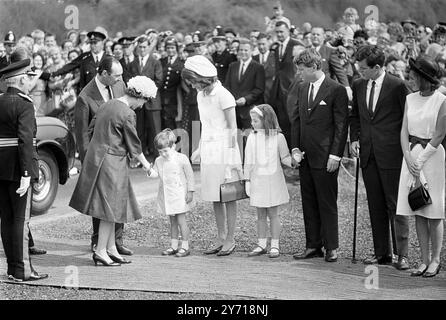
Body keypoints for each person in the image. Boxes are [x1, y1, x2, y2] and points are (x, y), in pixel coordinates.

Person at [69, 76, 157, 266]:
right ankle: (101, 251)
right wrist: (148, 167)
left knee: (108, 209)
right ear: (140, 96)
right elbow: (134, 145)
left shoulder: (108, 104)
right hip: (113, 163)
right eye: (144, 101)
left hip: (98, 157)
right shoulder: (127, 113)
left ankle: (110, 248)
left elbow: (91, 129)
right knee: (111, 210)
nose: (142, 106)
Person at [349, 45, 410, 270]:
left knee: (396, 205)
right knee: (375, 204)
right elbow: (354, 115)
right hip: (368, 153)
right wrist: (354, 138)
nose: (359, 71)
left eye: (363, 68)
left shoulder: (398, 86)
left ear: (377, 67)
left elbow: (407, 118)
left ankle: (402, 254)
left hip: (392, 154)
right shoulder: (358, 84)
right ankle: (381, 252)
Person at [290, 48, 349, 263]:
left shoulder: (336, 89)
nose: (299, 73)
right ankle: (313, 245)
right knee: (308, 201)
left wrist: (336, 155)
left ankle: (331, 246)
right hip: (305, 155)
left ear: (314, 67)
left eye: (302, 69)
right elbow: (297, 120)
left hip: (326, 157)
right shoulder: (302, 87)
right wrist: (295, 148)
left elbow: (341, 125)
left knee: (327, 201)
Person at [182, 55, 242, 256]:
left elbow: (233, 128)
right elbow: (205, 125)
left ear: (203, 77)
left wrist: (232, 157)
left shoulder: (224, 95)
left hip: (226, 151)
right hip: (209, 150)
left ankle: (231, 239)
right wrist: (199, 147)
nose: (192, 86)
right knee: (214, 197)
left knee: (229, 196)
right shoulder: (201, 96)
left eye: (193, 81)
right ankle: (221, 237)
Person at [74, 56, 132, 255]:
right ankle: (98, 241)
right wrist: (87, 162)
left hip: (118, 153)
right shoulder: (85, 96)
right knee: (100, 201)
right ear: (104, 74)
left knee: (118, 196)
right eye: (116, 75)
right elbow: (81, 133)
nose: (120, 79)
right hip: (98, 157)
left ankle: (116, 242)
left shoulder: (119, 85)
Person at [396, 56, 446, 277]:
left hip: (432, 157)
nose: (411, 79)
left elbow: (439, 134)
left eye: (414, 76)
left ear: (425, 78)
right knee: (417, 207)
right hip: (411, 157)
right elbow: (404, 131)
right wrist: (407, 156)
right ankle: (424, 260)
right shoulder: (410, 99)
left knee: (433, 210)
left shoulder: (441, 100)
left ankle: (436, 259)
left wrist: (420, 159)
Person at [0, 58, 48, 281]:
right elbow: (25, 141)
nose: (31, 82)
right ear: (20, 80)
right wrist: (27, 174)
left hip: (1, 168)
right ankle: (23, 271)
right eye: (29, 77)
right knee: (21, 221)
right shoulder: (24, 104)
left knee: (7, 219)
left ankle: (12, 268)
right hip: (20, 168)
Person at [244, 104, 294, 258]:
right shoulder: (252, 137)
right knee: (260, 214)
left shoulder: (279, 137)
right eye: (252, 120)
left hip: (273, 180)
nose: (252, 124)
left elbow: (284, 157)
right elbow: (249, 160)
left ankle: (275, 245)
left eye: (255, 121)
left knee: (273, 214)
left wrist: (293, 161)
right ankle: (261, 243)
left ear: (266, 121)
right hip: (257, 180)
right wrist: (247, 180)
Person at [147, 129, 195, 258]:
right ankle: (174, 245)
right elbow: (156, 174)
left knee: (181, 220)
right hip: (168, 195)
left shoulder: (181, 158)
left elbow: (190, 176)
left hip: (180, 194)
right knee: (172, 221)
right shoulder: (158, 161)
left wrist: (190, 191)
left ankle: (185, 246)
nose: (163, 154)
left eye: (165, 151)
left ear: (173, 146)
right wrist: (149, 170)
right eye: (160, 151)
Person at [128, 34, 163, 160]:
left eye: (144, 47)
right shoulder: (132, 64)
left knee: (155, 131)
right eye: (140, 47)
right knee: (139, 131)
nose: (142, 50)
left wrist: (145, 91)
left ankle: (158, 157)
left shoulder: (155, 62)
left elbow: (159, 81)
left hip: (152, 102)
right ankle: (140, 158)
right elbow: (129, 81)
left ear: (149, 47)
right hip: (137, 103)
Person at [269, 21, 301, 145]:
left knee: (292, 122)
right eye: (277, 32)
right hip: (278, 91)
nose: (279, 34)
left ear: (288, 30)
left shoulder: (296, 45)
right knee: (281, 123)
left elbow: (299, 69)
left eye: (282, 31)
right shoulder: (276, 47)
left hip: (292, 89)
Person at [224, 38, 265, 131]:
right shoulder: (232, 66)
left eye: (246, 50)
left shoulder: (258, 67)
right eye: (241, 50)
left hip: (249, 111)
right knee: (234, 139)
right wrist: (231, 99)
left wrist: (246, 99)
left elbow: (259, 89)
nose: (243, 52)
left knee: (249, 139)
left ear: (251, 51)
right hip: (233, 110)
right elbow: (227, 85)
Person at [159, 37, 184, 130]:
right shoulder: (162, 61)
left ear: (176, 49)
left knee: (172, 123)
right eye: (168, 48)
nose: (170, 50)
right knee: (163, 123)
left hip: (174, 99)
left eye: (173, 48)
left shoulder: (181, 63)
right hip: (161, 97)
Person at [252, 33, 275, 104]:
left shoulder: (275, 58)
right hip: (256, 98)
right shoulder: (253, 59)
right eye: (259, 44)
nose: (261, 47)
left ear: (268, 43)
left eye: (263, 44)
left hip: (272, 96)